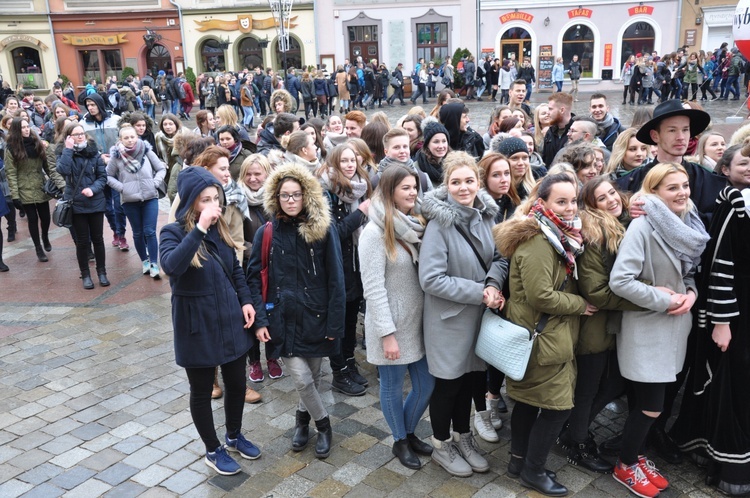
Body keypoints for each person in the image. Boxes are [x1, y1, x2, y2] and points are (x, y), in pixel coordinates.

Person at [609, 163, 710, 498]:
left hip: (676, 325)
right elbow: (620, 281)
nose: (682, 192)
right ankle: (624, 464)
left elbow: (690, 274)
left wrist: (691, 296)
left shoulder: (687, 224)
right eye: (672, 188)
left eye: (684, 185)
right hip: (649, 328)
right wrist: (662, 300)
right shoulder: (643, 226)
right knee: (652, 405)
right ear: (654, 192)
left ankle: (634, 456)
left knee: (653, 402)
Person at [494, 173, 596, 496]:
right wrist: (580, 304)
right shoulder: (540, 240)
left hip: (543, 335)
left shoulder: (558, 234)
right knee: (557, 408)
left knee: (526, 403)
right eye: (561, 202)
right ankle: (533, 471)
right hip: (542, 338)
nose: (569, 209)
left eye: (573, 201)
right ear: (542, 203)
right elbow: (541, 295)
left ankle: (518, 462)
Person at [159, 166, 261, 476]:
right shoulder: (173, 232)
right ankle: (212, 448)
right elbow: (171, 266)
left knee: (237, 382)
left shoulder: (222, 229)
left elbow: (236, 271)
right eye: (205, 200)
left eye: (215, 199)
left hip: (229, 318)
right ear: (191, 201)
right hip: (196, 324)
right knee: (202, 390)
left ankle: (233, 435)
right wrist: (199, 229)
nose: (213, 206)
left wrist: (245, 301)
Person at [246, 163, 345, 459]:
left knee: (313, 379)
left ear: (306, 196)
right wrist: (260, 321)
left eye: (296, 195)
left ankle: (302, 422)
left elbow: (336, 279)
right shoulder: (267, 232)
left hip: (316, 317)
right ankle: (325, 425)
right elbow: (254, 277)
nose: (291, 201)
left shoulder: (323, 230)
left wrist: (334, 326)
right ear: (276, 198)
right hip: (282, 319)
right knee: (301, 379)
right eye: (285, 195)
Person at [419, 151, 507, 477]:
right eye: (455, 182)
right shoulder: (439, 226)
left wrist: (494, 284)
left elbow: (499, 257)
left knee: (471, 381)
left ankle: (463, 437)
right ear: (446, 185)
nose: (463, 187)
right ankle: (442, 444)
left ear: (477, 182)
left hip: (479, 317)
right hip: (449, 321)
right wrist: (479, 292)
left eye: (468, 180)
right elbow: (431, 279)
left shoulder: (486, 216)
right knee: (448, 386)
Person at [671, 146, 750, 497]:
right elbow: (721, 265)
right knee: (733, 385)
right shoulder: (733, 202)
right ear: (726, 167)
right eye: (744, 161)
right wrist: (721, 320)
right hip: (738, 310)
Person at [560, 177, 640, 474]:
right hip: (593, 326)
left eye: (612, 193)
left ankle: (572, 428)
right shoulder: (595, 235)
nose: (612, 199)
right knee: (589, 389)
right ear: (591, 207)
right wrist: (647, 299)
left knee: (614, 383)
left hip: (611, 325)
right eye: (602, 198)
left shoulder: (621, 225)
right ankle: (576, 442)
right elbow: (596, 291)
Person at [359, 164, 434, 469]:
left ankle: (408, 431)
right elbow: (373, 289)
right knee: (391, 385)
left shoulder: (414, 222)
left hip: (417, 322)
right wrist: (386, 333)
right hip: (390, 325)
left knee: (426, 384)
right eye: (405, 187)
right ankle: (400, 440)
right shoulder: (373, 233)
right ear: (389, 191)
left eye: (414, 187)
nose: (413, 192)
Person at [617, 99, 726, 227]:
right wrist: (627, 214)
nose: (681, 137)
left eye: (685, 130)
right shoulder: (630, 182)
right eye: (672, 130)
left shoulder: (709, 180)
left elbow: (719, 223)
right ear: (655, 136)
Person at [318, 143, 372, 396]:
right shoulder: (325, 191)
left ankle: (349, 363)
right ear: (334, 163)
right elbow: (332, 234)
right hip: (335, 267)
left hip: (356, 264)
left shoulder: (360, 186)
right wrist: (360, 214)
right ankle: (338, 371)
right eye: (344, 161)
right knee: (338, 322)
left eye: (353, 160)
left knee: (351, 319)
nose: (350, 165)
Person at [106, 123, 166, 279]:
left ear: (137, 137)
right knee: (138, 233)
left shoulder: (146, 152)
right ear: (120, 140)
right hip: (129, 200)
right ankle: (144, 261)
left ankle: (154, 263)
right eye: (126, 138)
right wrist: (122, 188)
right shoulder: (116, 156)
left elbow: (161, 168)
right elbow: (108, 176)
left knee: (150, 231)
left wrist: (155, 183)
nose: (130, 140)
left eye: (132, 137)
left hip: (150, 198)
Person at [54, 122, 109, 288]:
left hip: (95, 202)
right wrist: (68, 150)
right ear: (68, 137)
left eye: (81, 133)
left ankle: (102, 272)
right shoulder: (64, 153)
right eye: (75, 134)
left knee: (98, 239)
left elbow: (102, 177)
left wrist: (93, 189)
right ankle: (85, 274)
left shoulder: (93, 153)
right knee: (82, 241)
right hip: (76, 203)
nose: (80, 136)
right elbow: (63, 170)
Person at [5, 118, 64, 262]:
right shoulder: (11, 148)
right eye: (22, 128)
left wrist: (57, 182)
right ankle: (38, 247)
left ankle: (45, 236)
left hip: (40, 185)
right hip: (23, 187)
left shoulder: (37, 143)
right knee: (32, 219)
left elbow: (48, 166)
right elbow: (11, 173)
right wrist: (15, 195)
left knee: (45, 217)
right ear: (16, 131)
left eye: (27, 126)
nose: (26, 129)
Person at [155, 113, 185, 203]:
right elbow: (156, 154)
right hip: (167, 171)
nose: (168, 127)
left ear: (176, 124)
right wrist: (160, 162)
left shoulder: (184, 135)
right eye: (165, 124)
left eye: (170, 124)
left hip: (181, 168)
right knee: (172, 196)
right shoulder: (158, 137)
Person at [541, 92, 575, 167]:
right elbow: (545, 159)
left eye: (550, 109)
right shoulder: (550, 132)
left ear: (562, 110)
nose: (548, 113)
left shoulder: (577, 132)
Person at [414, 121, 450, 188]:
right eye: (436, 142)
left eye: (444, 141)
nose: (441, 146)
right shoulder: (416, 168)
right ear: (427, 144)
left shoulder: (454, 165)